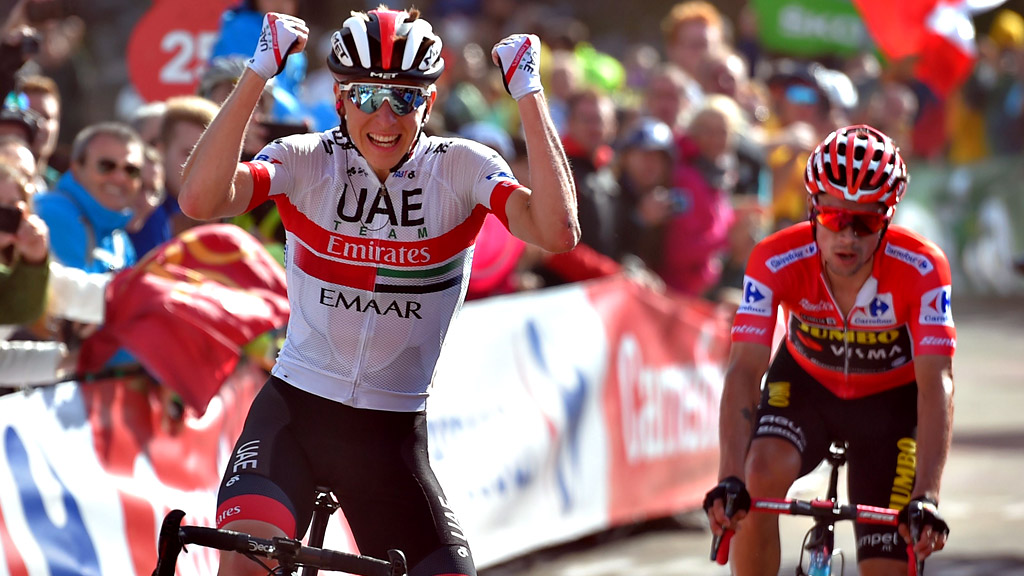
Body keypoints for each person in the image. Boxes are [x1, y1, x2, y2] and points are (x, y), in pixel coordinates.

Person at [177, 8, 578, 576]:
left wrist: (529, 93)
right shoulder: (306, 160)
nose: (385, 117)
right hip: (294, 417)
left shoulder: (462, 167)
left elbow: (557, 232)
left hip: (390, 441)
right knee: (249, 563)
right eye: (366, 96)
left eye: (405, 99)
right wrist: (257, 71)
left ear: (429, 103)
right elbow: (200, 200)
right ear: (339, 99)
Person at [703, 125, 955, 576]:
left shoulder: (922, 267)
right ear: (812, 209)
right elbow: (744, 369)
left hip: (889, 408)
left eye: (866, 222)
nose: (848, 237)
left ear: (889, 217)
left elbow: (936, 381)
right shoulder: (774, 258)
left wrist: (927, 496)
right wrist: (729, 478)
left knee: (887, 568)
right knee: (757, 478)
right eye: (835, 218)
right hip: (806, 389)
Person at [34, 121, 143, 273]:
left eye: (131, 170)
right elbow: (67, 287)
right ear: (76, 168)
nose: (120, 178)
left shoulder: (118, 236)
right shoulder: (51, 213)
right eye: (107, 166)